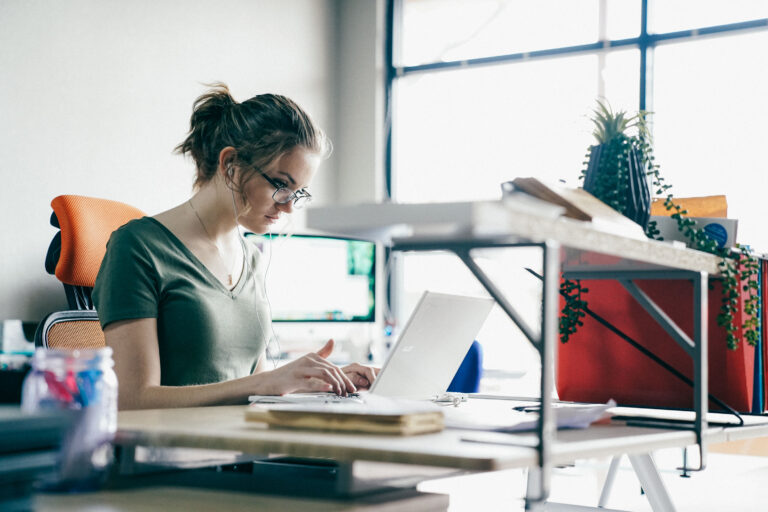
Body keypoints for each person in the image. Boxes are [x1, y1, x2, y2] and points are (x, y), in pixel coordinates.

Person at [93, 83, 377, 410]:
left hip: (243, 448)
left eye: (297, 193)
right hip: (175, 456)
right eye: (281, 185)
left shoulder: (250, 258)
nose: (288, 207)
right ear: (230, 164)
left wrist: (325, 381)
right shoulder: (139, 247)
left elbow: (254, 388)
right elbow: (132, 399)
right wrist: (266, 381)